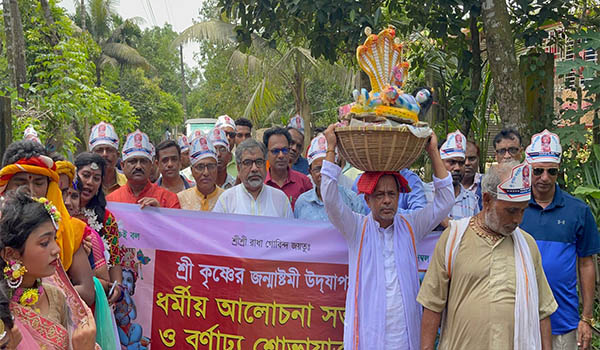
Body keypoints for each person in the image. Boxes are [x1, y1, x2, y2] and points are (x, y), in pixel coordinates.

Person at [321, 124, 454, 349]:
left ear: (398, 197)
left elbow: (445, 201)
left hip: (405, 336)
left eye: (392, 194)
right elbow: (331, 200)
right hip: (369, 335)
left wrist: (433, 152)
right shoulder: (356, 228)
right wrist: (331, 149)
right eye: (379, 195)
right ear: (367, 200)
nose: (386, 201)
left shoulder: (411, 226)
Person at [418, 161, 557, 350]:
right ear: (487, 200)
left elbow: (542, 312)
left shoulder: (527, 246)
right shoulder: (453, 239)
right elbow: (432, 304)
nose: (518, 219)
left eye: (523, 210)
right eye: (511, 210)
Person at [521, 130, 600, 350]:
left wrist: (586, 318)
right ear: (528, 170)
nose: (544, 177)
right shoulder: (514, 207)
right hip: (519, 320)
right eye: (538, 171)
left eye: (551, 171)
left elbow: (586, 264)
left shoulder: (578, 211)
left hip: (563, 322)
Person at [0, 141, 95, 307]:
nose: (29, 190)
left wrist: (41, 296)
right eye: (20, 182)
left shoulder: (71, 229)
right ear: (5, 185)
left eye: (38, 183)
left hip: (53, 322)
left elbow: (87, 292)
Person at [0, 189, 98, 349]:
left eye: (55, 238)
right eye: (44, 243)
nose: (56, 249)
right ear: (11, 254)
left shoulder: (55, 296)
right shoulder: (4, 311)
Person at [417, 131, 480, 278]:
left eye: (460, 162)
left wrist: (449, 224)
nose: (457, 168)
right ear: (439, 162)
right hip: (426, 271)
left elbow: (475, 236)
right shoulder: (424, 194)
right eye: (451, 162)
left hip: (459, 271)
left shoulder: (472, 199)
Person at [74, 152, 125, 305]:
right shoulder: (60, 212)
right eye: (85, 175)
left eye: (96, 178)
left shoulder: (106, 219)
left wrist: (117, 288)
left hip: (98, 295)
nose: (90, 182)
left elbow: (114, 260)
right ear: (75, 176)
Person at [213, 139, 293, 218]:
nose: (254, 169)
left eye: (259, 162)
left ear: (265, 165)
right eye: (247, 163)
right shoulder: (226, 200)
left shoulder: (280, 199)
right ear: (238, 168)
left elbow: (290, 230)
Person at [294, 134, 364, 221]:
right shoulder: (302, 202)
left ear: (336, 169)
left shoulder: (351, 200)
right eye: (318, 169)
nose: (323, 173)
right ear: (310, 172)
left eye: (327, 169)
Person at [107, 130, 180, 209]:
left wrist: (160, 213)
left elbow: (176, 221)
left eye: (143, 161)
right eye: (133, 161)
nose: (138, 166)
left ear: (151, 165)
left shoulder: (170, 199)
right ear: (122, 165)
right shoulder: (111, 201)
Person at [263, 127, 312, 209]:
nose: (281, 155)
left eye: (285, 150)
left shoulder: (304, 182)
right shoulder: (260, 184)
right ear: (266, 153)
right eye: (275, 151)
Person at [177, 134, 224, 211]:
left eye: (211, 166)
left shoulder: (227, 199)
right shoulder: (181, 199)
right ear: (192, 171)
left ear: (216, 169)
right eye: (200, 167)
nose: (206, 173)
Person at [89, 122, 127, 195]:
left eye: (109, 150)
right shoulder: (84, 184)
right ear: (91, 156)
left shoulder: (128, 183)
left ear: (117, 155)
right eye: (99, 150)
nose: (104, 154)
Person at [463, 140, 483, 209]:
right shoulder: (444, 187)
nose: (467, 163)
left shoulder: (488, 184)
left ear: (478, 160)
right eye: (463, 159)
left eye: (472, 159)